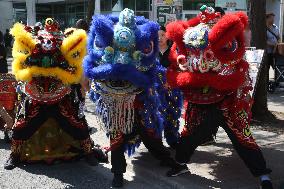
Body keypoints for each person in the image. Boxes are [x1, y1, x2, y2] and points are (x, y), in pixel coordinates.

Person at [165, 6, 273, 189]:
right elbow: (182, 61)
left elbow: (235, 62)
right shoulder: (196, 35)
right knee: (190, 134)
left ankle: (263, 175)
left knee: (242, 137)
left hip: (229, 101)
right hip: (200, 99)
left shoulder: (228, 38)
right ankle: (181, 163)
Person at [84, 9, 180, 187]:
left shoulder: (142, 48)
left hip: (140, 103)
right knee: (116, 137)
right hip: (114, 104)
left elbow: (149, 72)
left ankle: (166, 158)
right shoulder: (105, 48)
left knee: (149, 133)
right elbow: (93, 71)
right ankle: (118, 174)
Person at [4, 18, 106, 170]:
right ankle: (14, 155)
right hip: (36, 94)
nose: (47, 45)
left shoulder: (64, 49)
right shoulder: (33, 50)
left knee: (77, 123)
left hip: (60, 95)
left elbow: (73, 69)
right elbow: (23, 67)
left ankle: (88, 152)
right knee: (21, 126)